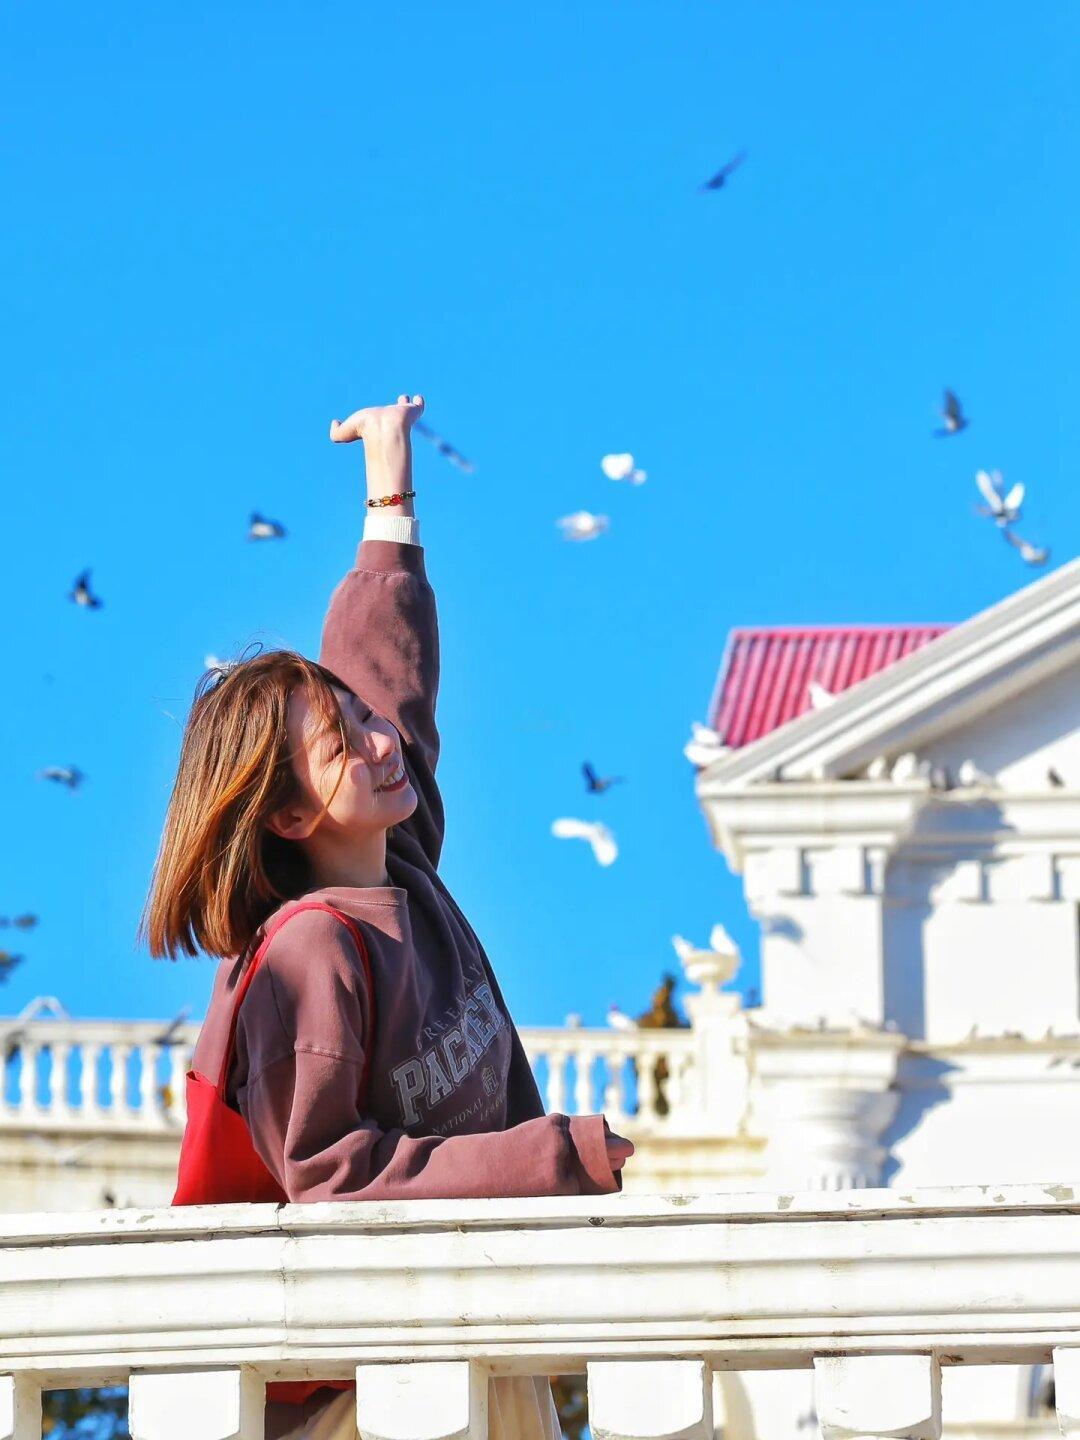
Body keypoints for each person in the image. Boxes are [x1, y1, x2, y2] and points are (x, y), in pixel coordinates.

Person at [139, 394, 634, 1440]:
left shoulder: (401, 865)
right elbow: (331, 1178)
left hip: (457, 1349)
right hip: (359, 1400)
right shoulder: (310, 954)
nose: (377, 740)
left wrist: (388, 487)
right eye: (341, 741)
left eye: (361, 717)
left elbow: (389, 672)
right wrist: (548, 1159)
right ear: (287, 814)